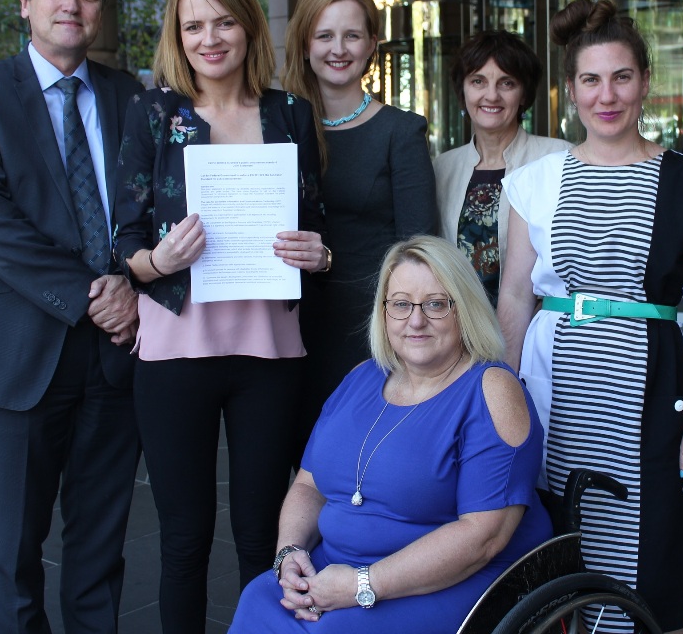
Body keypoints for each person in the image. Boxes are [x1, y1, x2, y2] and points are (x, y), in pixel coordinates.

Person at [497, 0, 683, 634]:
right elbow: (516, 298)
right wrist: (497, 404)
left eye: (622, 77)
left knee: (651, 547)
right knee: (553, 543)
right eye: (591, 80)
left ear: (646, 82)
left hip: (651, 389)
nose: (608, 95)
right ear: (570, 90)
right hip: (554, 390)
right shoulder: (536, 182)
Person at [0, 0, 144, 633]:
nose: (72, 5)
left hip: (117, 355)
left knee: (101, 545)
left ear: (100, 10)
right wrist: (100, 292)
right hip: (19, 350)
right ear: (25, 2)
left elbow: (150, 206)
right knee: (14, 548)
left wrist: (134, 283)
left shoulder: (129, 94)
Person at [112, 0, 326, 633]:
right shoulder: (153, 113)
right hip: (176, 350)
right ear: (178, 33)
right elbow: (122, 239)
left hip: (269, 352)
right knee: (183, 538)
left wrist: (320, 253)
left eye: (224, 20)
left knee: (263, 534)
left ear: (248, 25)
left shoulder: (290, 112)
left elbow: (317, 223)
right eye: (194, 24)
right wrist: (155, 260)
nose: (210, 37)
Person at [229, 235, 552, 633]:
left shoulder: (490, 389)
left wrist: (363, 585)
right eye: (401, 304)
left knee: (339, 630)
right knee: (259, 599)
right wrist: (290, 552)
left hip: (451, 581)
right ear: (383, 313)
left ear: (464, 309)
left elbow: (482, 536)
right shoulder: (360, 379)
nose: (415, 321)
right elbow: (309, 485)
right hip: (336, 571)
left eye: (436, 304)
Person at [281, 0, 437, 450]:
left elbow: (419, 249)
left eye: (352, 35)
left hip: (364, 331)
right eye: (325, 35)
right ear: (305, 42)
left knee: (357, 470)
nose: (338, 49)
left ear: (372, 44)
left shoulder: (401, 132)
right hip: (281, 328)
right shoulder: (274, 125)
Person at [433, 30, 569, 305]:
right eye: (478, 81)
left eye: (506, 83)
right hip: (461, 333)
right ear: (463, 90)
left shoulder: (559, 157)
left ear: (524, 93)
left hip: (537, 328)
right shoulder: (441, 168)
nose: (491, 95)